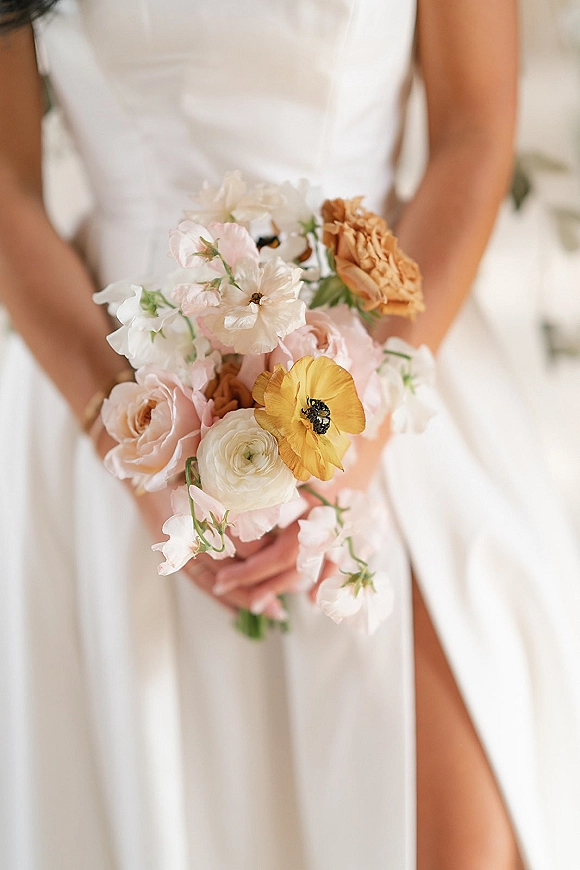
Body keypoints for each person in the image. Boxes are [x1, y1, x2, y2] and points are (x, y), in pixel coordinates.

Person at [1, 0, 579, 867]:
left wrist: (359, 420)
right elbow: (5, 189)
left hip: (389, 358)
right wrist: (132, 444)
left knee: (463, 831)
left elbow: (474, 126)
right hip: (122, 388)